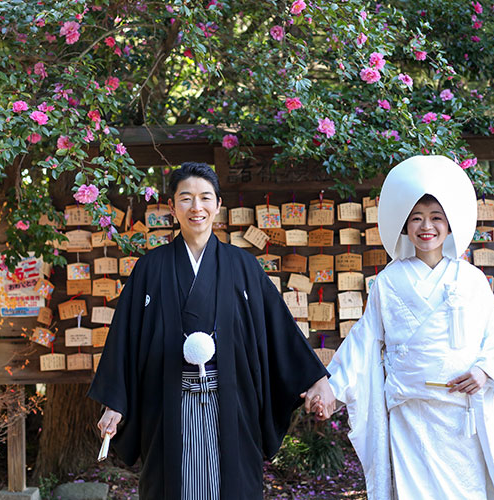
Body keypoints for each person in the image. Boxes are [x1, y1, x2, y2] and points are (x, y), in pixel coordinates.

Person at [88, 162, 333, 500]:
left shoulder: (243, 266)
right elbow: (125, 342)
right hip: (168, 404)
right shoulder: (151, 268)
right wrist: (115, 403)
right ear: (172, 207)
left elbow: (278, 328)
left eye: (205, 198)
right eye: (185, 198)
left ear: (218, 205)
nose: (196, 207)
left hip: (232, 404)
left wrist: (315, 380)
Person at [306, 155, 494, 500]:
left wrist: (484, 371)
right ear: (405, 226)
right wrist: (332, 388)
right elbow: (364, 340)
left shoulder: (471, 279)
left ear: (450, 225)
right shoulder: (389, 282)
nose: (426, 227)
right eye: (416, 218)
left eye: (436, 218)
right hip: (410, 414)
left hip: (461, 416)